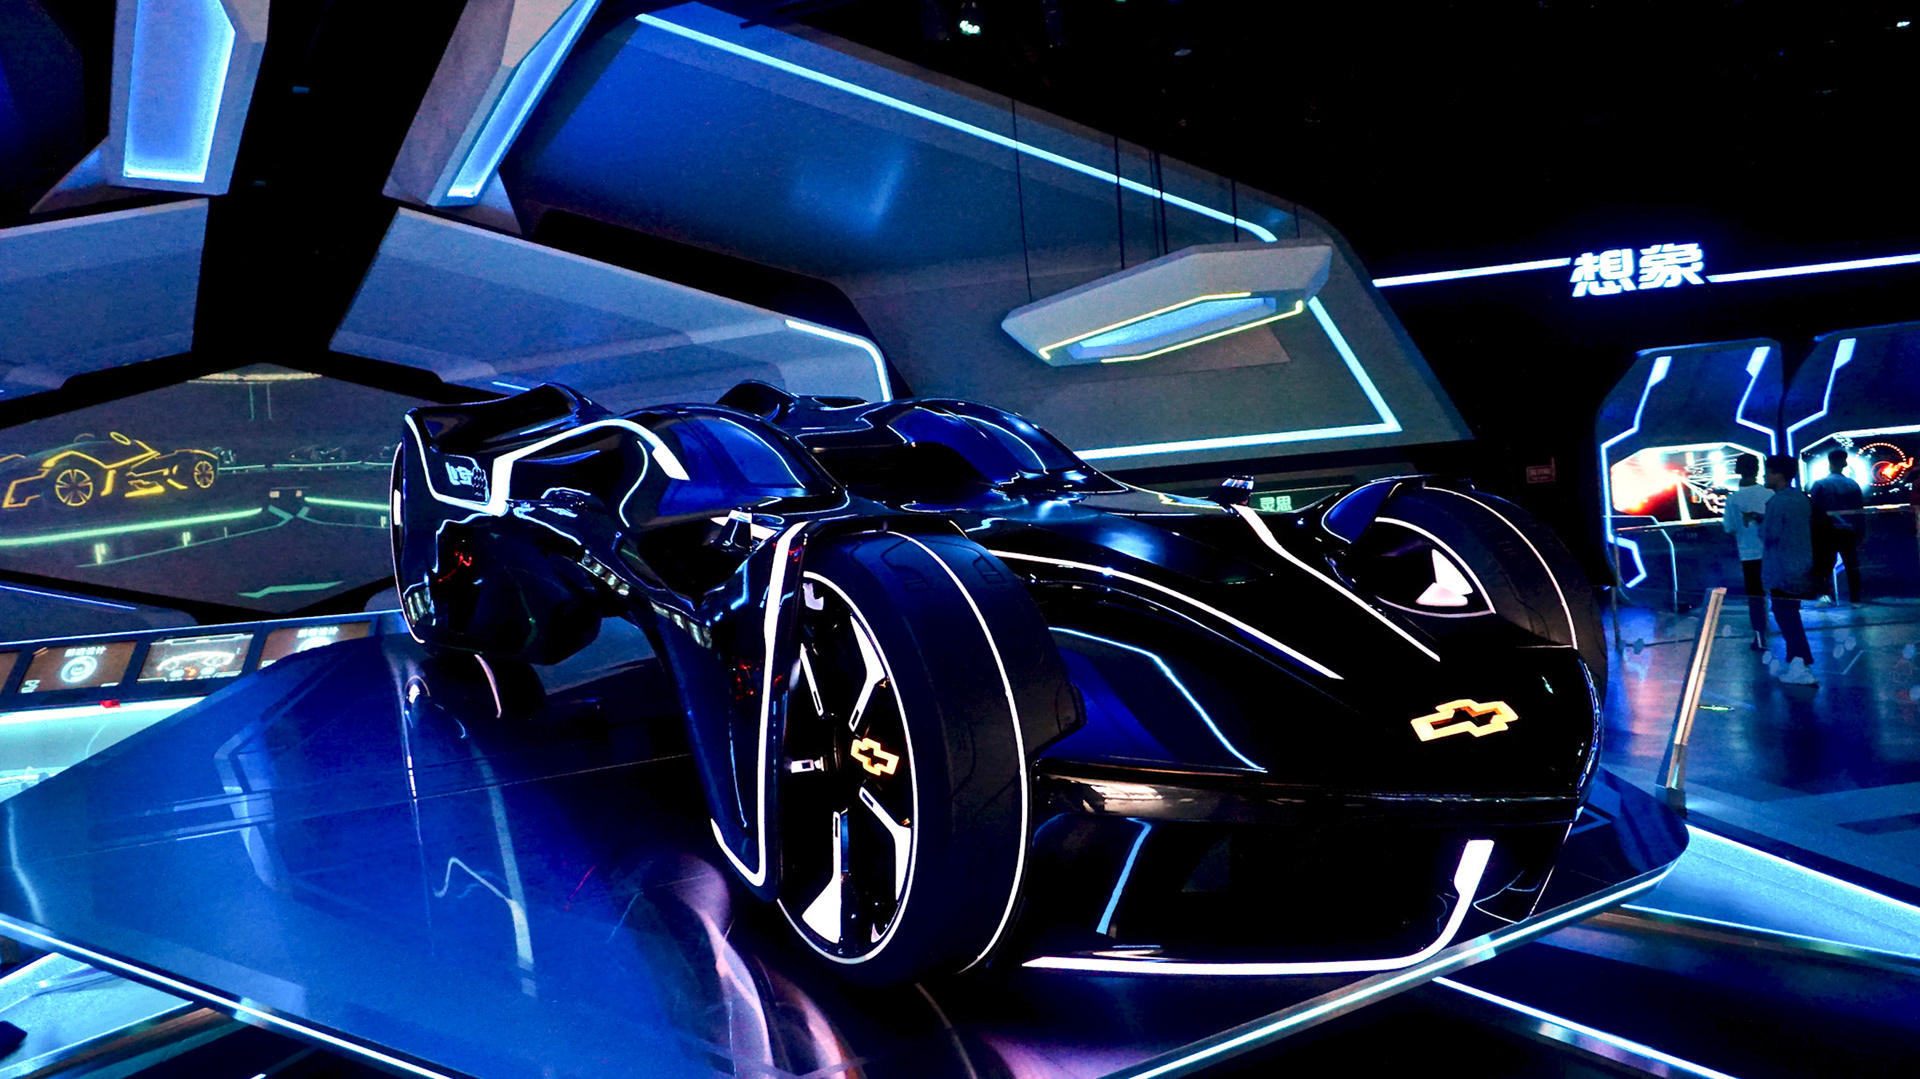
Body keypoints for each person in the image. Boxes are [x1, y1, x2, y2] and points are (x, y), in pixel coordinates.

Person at [1760, 455, 1818, 685]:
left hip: (1782, 569)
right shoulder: (1800, 498)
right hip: (1800, 565)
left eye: (1768, 472)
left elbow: (1769, 534)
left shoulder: (1778, 502)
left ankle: (1799, 663)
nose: (1765, 476)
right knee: (1791, 615)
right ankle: (1798, 662)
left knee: (1786, 617)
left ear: (1778, 474)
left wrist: (1761, 524)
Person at [1722, 454, 1774, 652]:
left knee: (1755, 597)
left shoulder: (1733, 499)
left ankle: (1759, 637)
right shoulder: (1769, 494)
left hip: (1748, 554)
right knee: (1779, 594)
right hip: (1772, 551)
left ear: (1738, 470)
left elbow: (1729, 527)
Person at [1808, 448, 1865, 604]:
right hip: (1848, 531)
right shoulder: (1852, 484)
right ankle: (1855, 597)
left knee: (1825, 565)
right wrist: (1861, 532)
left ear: (1829, 462)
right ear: (1844, 463)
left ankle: (1825, 595)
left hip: (1826, 531)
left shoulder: (1820, 484)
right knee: (1851, 564)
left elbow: (1814, 509)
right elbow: (1859, 511)